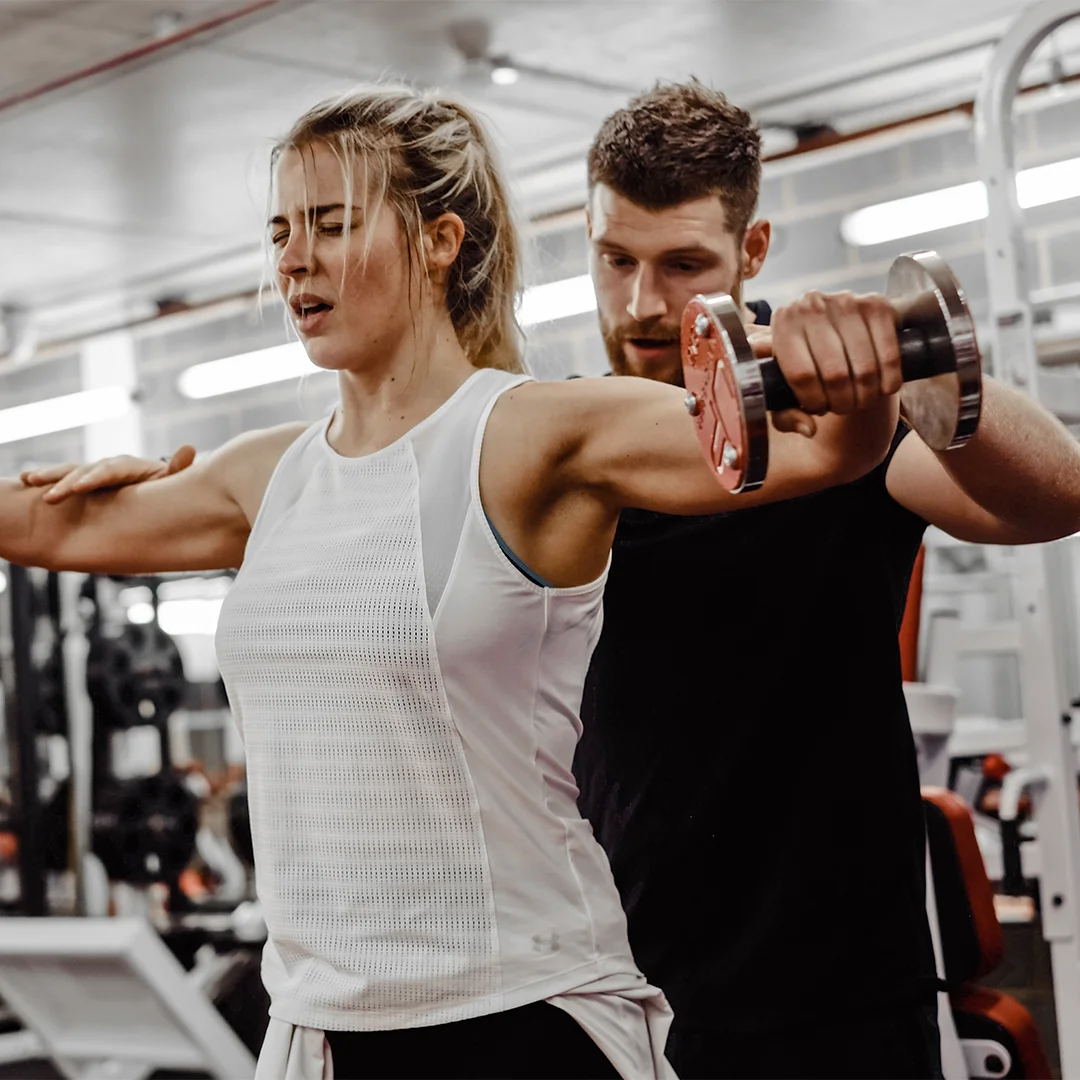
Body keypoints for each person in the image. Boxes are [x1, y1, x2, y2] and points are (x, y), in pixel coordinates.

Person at [3, 84, 906, 1080]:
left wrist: (854, 378)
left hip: (518, 1019)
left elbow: (819, 456)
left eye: (331, 224)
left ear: (439, 241)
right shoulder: (269, 474)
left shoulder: (535, 429)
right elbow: (38, 525)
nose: (293, 259)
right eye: (280, 233)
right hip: (317, 1026)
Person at [568, 81, 1080, 1080]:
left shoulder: (831, 425)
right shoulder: (571, 443)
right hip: (616, 994)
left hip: (833, 1000)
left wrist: (897, 367)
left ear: (749, 254)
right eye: (614, 259)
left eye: (682, 265)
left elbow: (1058, 497)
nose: (639, 303)